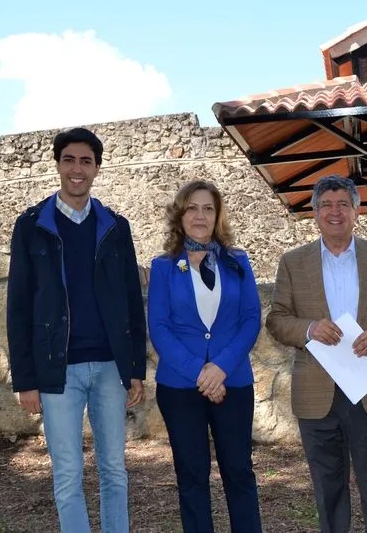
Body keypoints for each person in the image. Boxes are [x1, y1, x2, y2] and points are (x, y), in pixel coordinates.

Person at [6, 127, 147, 533]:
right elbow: (18, 306)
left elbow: (130, 302)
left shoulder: (116, 227)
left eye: (86, 161)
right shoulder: (31, 226)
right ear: (57, 164)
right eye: (69, 159)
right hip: (57, 372)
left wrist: (134, 366)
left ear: (97, 168)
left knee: (114, 471)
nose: (77, 169)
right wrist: (25, 378)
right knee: (67, 475)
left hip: (108, 367)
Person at [265, 175, 367, 533]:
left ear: (356, 210)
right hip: (316, 396)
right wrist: (308, 329)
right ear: (314, 213)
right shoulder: (292, 262)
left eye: (342, 204)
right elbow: (276, 320)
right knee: (328, 490)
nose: (335, 212)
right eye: (326, 205)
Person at [147, 180, 263, 532]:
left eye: (208, 208)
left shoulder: (238, 262)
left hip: (233, 383)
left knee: (239, 471)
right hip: (181, 387)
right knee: (192, 475)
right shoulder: (165, 267)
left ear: (218, 216)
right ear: (180, 215)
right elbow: (160, 327)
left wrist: (221, 368)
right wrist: (201, 373)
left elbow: (250, 319)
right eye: (192, 208)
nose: (200, 215)